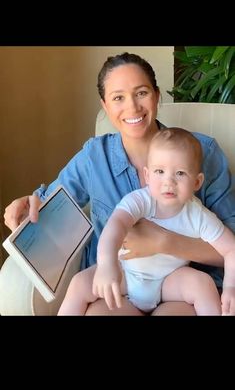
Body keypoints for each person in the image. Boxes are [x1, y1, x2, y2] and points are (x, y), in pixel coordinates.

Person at [4, 52, 235, 316]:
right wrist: (29, 209)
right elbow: (52, 205)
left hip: (178, 288)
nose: (133, 108)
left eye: (142, 93)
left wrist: (164, 242)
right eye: (118, 98)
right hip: (116, 286)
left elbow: (229, 246)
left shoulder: (203, 152)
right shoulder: (94, 156)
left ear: (157, 95)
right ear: (105, 105)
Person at [58, 128, 235, 315]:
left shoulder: (198, 215)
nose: (169, 182)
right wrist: (107, 263)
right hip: (127, 273)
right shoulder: (140, 200)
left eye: (180, 173)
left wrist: (230, 286)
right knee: (79, 283)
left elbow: (231, 249)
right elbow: (115, 227)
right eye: (160, 171)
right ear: (148, 175)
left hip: (170, 280)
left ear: (197, 182)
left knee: (203, 284)